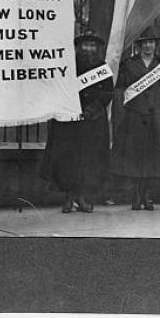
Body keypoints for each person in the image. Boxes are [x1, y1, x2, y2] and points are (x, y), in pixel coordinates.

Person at [41, 30, 113, 213]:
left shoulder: (102, 68)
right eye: (85, 45)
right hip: (70, 120)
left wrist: (91, 110)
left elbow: (107, 93)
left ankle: (81, 197)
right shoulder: (67, 66)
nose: (88, 49)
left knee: (89, 160)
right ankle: (69, 197)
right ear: (78, 47)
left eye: (92, 46)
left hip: (92, 120)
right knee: (69, 160)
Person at [111, 28, 160, 211]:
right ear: (139, 46)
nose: (148, 46)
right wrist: (122, 113)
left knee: (153, 156)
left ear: (155, 45)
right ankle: (136, 194)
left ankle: (147, 194)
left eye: (151, 42)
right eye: (145, 43)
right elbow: (120, 91)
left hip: (156, 115)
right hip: (134, 115)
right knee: (135, 156)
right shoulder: (129, 65)